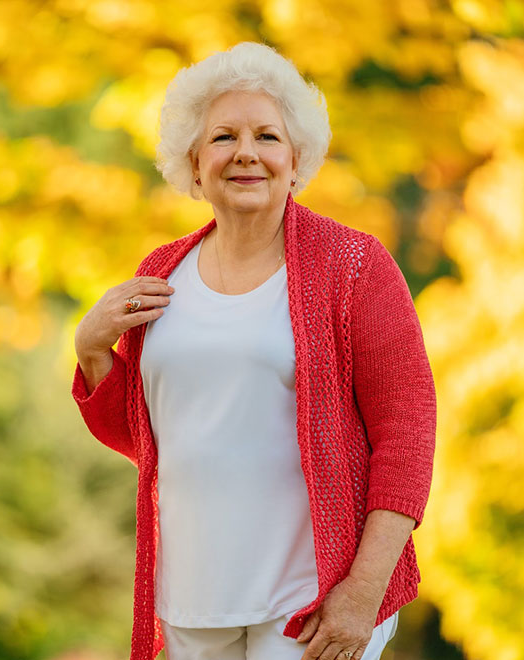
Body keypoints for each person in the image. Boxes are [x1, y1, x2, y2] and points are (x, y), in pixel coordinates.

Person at [72, 42, 437, 660]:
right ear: (193, 164)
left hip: (314, 600)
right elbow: (152, 440)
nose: (245, 152)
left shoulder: (353, 267)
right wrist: (91, 351)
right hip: (193, 599)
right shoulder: (162, 272)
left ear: (296, 162)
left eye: (267, 136)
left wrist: (363, 593)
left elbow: (409, 433)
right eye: (223, 138)